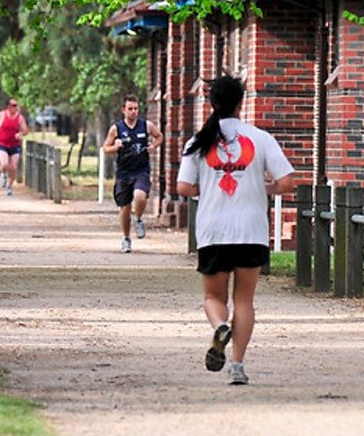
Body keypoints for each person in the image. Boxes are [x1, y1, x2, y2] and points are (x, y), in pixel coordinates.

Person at [175, 75, 297, 386]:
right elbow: (286, 183)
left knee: (213, 297)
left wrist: (211, 186)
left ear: (211, 103)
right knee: (244, 301)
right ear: (241, 102)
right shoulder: (259, 138)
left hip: (214, 231)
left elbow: (184, 187)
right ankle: (238, 366)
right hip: (251, 230)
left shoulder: (198, 142)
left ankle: (219, 326)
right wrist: (261, 187)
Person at [102, 94, 163, 253]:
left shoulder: (146, 126)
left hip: (141, 170)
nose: (133, 112)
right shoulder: (116, 128)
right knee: (125, 207)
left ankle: (139, 219)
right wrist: (115, 147)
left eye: (136, 109)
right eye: (130, 109)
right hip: (123, 172)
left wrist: (153, 146)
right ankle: (126, 238)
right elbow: (105, 149)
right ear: (124, 110)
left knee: (140, 196)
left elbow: (159, 136)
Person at [0, 97, 29, 196]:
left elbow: (25, 130)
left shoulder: (20, 118)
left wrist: (21, 134)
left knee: (14, 167)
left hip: (15, 145)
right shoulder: (0, 115)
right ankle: (3, 174)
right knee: (4, 164)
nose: (15, 107)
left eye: (16, 105)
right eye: (13, 105)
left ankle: (10, 186)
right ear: (8, 106)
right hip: (2, 143)